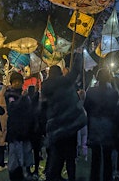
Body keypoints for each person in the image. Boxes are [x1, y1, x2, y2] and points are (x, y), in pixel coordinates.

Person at [42, 51, 86, 181]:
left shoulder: (45, 87)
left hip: (54, 126)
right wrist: (78, 55)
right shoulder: (64, 83)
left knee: (56, 156)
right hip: (69, 125)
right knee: (70, 156)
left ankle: (53, 176)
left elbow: (42, 108)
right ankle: (71, 177)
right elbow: (75, 72)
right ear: (60, 74)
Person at [84, 69, 119, 181]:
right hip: (108, 124)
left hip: (95, 123)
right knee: (107, 154)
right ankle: (107, 177)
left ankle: (94, 177)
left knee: (95, 155)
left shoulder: (90, 91)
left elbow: (86, 107)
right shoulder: (114, 93)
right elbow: (117, 108)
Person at [4, 71, 35, 181]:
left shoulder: (24, 94)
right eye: (15, 81)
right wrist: (22, 98)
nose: (17, 83)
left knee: (26, 152)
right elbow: (12, 109)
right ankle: (15, 176)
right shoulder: (9, 94)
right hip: (15, 130)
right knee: (15, 155)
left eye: (19, 81)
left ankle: (26, 173)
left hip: (25, 129)